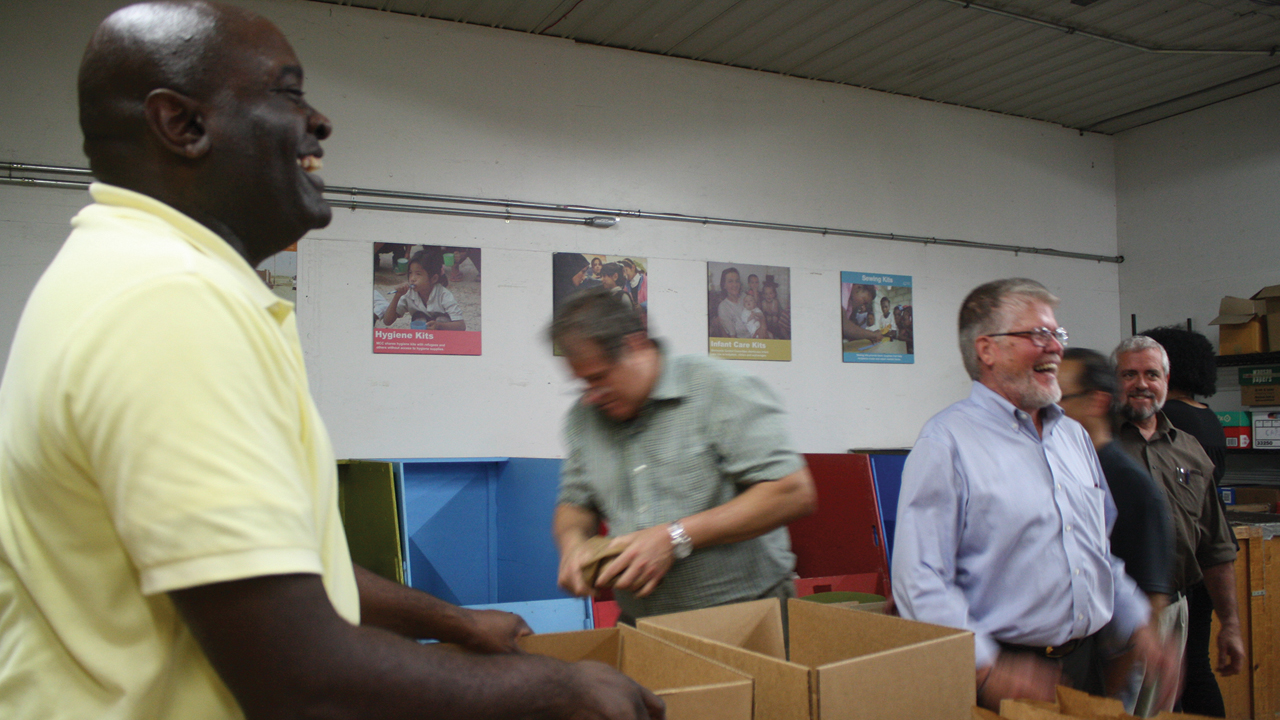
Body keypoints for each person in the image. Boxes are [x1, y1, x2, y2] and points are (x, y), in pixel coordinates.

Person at [0, 3, 664, 719]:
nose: (319, 123)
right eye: (288, 93)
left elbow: (277, 568)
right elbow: (300, 676)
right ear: (183, 126)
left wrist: (455, 622)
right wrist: (560, 692)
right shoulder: (168, 304)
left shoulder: (132, 274)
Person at [892, 278, 1170, 711]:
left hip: (1086, 668)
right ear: (987, 350)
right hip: (1004, 677)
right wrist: (986, 668)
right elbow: (921, 579)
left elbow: (1096, 553)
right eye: (1037, 335)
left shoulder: (1073, 437)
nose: (1055, 347)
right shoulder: (947, 442)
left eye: (1057, 334)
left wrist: (1138, 626)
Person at [551, 288, 817, 624]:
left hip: (745, 617)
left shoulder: (717, 388)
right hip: (643, 621)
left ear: (635, 346)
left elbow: (793, 492)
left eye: (599, 378)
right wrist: (572, 544)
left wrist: (673, 537)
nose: (590, 396)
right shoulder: (583, 419)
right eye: (582, 384)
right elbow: (574, 504)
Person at [1111, 336, 1244, 716]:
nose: (1141, 384)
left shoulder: (1189, 449)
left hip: (1175, 609)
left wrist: (1231, 625)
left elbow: (1215, 547)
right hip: (1115, 614)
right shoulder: (1093, 446)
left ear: (1166, 381)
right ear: (1113, 380)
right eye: (1129, 374)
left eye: (1152, 374)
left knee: (1162, 711)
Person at [1058, 348, 1178, 715]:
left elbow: (1151, 603)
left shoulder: (1129, 484)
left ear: (1097, 402)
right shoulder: (1072, 468)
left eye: (1060, 398)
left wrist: (1107, 692)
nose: (1046, 408)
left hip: (1112, 665)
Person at [382, 246, 466, 330]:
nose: (412, 278)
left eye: (418, 274)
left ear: (434, 279)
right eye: (410, 273)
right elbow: (387, 321)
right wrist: (397, 296)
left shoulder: (444, 295)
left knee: (442, 319)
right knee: (419, 318)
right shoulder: (409, 293)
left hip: (442, 339)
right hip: (421, 339)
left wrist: (439, 326)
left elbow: (461, 326)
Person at [715, 266, 752, 338]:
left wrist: (762, 327)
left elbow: (758, 314)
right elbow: (732, 337)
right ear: (724, 285)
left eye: (737, 281)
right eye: (730, 281)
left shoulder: (745, 296)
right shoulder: (723, 307)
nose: (734, 285)